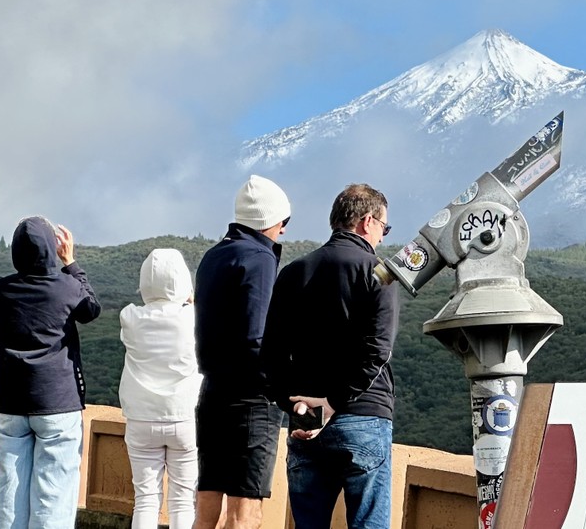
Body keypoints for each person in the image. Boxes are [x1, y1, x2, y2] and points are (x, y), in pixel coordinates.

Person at [262, 183, 399, 529]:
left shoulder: (293, 272)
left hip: (306, 419)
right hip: (363, 415)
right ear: (368, 222)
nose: (382, 237)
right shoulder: (379, 273)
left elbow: (271, 353)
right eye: (384, 227)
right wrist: (334, 401)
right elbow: (377, 351)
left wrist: (293, 404)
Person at [0, 216, 102, 529]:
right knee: (53, 498)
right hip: (57, 402)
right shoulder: (66, 287)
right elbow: (91, 309)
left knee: (9, 494)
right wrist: (71, 263)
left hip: (10, 403)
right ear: (52, 248)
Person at [192, 175, 291, 529]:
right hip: (251, 398)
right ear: (272, 220)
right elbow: (256, 335)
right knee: (244, 513)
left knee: (206, 508)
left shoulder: (212, 256)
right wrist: (280, 386)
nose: (283, 231)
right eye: (284, 222)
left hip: (212, 391)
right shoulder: (260, 259)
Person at [119, 249, 201, 529]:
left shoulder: (129, 317)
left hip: (141, 418)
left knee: (145, 499)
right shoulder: (193, 317)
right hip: (184, 416)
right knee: (182, 500)